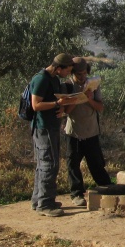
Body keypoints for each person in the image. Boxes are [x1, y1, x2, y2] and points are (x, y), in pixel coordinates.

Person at [30, 53, 75, 216]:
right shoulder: (41, 79)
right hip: (44, 128)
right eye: (67, 70)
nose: (68, 74)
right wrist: (57, 103)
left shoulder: (54, 79)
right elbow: (36, 105)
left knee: (45, 164)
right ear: (58, 68)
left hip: (52, 126)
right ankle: (45, 204)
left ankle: (39, 199)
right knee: (49, 164)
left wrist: (62, 106)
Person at [64, 57, 111, 207]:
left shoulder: (93, 85)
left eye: (84, 73)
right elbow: (66, 111)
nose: (82, 77)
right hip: (74, 131)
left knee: (96, 162)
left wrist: (89, 99)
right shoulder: (67, 85)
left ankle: (107, 188)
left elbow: (100, 107)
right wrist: (76, 98)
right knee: (73, 163)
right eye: (79, 74)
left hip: (91, 130)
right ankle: (77, 193)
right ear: (72, 73)